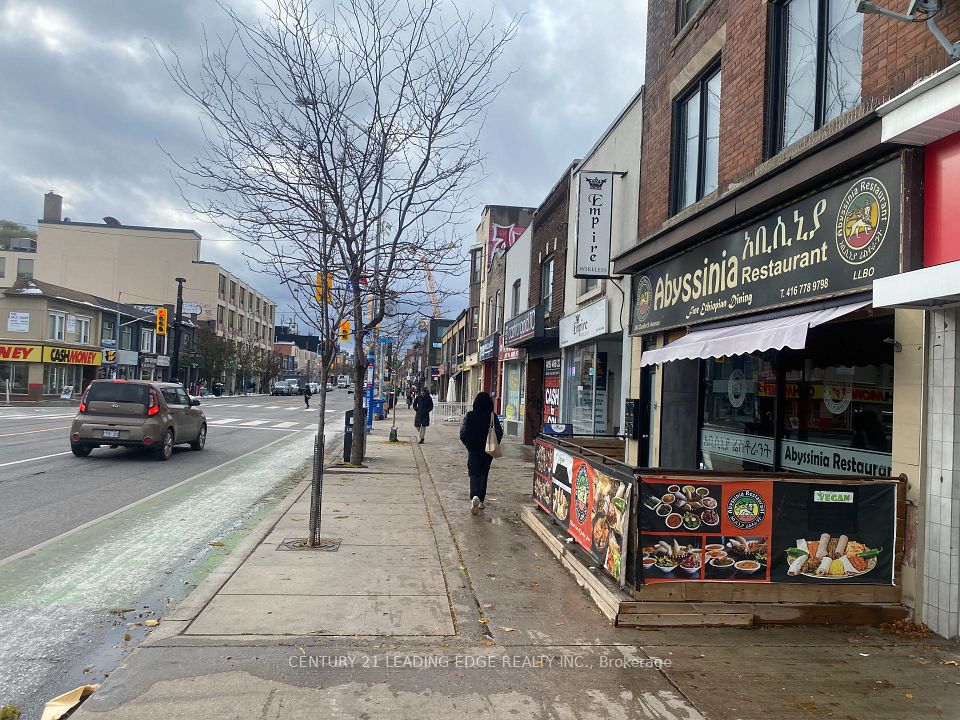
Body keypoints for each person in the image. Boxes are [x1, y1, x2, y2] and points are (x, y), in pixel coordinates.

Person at [459, 392, 504, 514]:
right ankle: (481, 500)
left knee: (474, 473)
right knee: (484, 473)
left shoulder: (469, 415)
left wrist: (468, 444)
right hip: (488, 450)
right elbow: (499, 432)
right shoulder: (492, 416)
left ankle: (474, 496)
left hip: (473, 449)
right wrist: (494, 444)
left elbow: (463, 433)